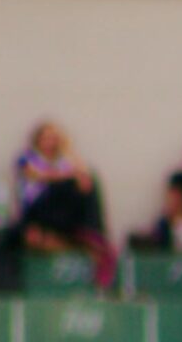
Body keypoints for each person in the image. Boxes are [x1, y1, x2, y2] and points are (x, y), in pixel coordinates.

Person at [15, 119, 116, 291]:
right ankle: (88, 234)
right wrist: (71, 174)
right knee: (71, 182)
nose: (49, 142)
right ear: (37, 140)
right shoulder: (25, 158)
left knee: (88, 179)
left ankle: (91, 232)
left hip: (60, 211)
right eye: (45, 138)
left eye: (54, 138)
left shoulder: (63, 161)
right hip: (37, 209)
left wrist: (67, 149)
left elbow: (85, 179)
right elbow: (38, 176)